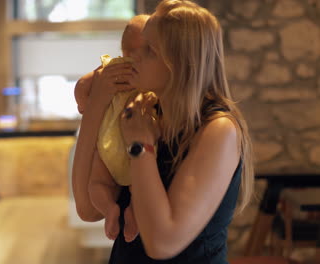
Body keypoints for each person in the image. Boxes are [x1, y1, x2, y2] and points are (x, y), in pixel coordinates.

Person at [76, 0, 255, 263]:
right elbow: (87, 209)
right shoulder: (146, 111)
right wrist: (95, 106)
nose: (134, 57)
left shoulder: (218, 130)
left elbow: (163, 242)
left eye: (149, 51)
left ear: (180, 64)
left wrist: (140, 146)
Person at [73, 15, 150, 243]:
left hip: (107, 144)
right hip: (134, 145)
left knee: (99, 184)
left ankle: (110, 210)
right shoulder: (148, 80)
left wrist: (84, 103)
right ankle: (132, 212)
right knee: (139, 186)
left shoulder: (110, 68)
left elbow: (83, 84)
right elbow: (85, 212)